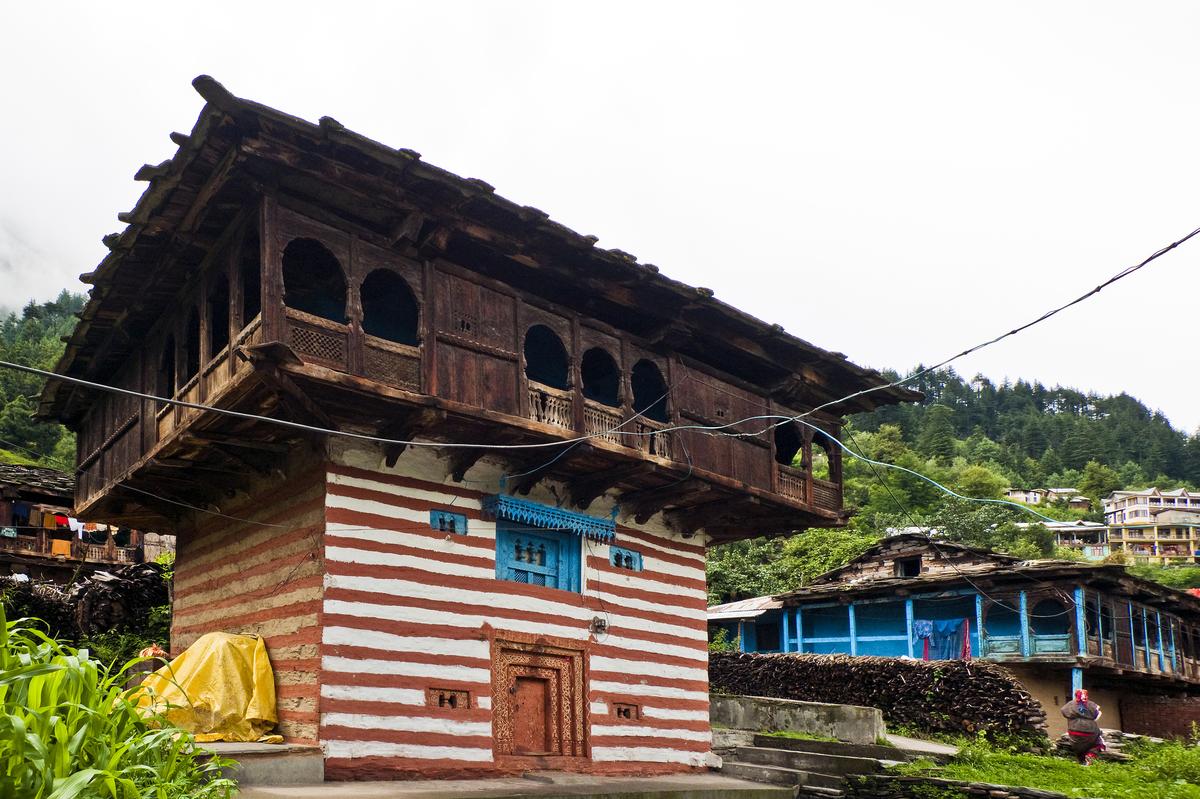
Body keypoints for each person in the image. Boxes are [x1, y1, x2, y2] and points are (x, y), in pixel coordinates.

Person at [1060, 689, 1104, 764]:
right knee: (1099, 743)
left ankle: (1080, 760)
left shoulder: (1070, 704)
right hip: (1090, 729)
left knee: (1078, 745)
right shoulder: (1091, 704)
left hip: (1073, 729)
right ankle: (1090, 755)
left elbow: (1063, 711)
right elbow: (1097, 715)